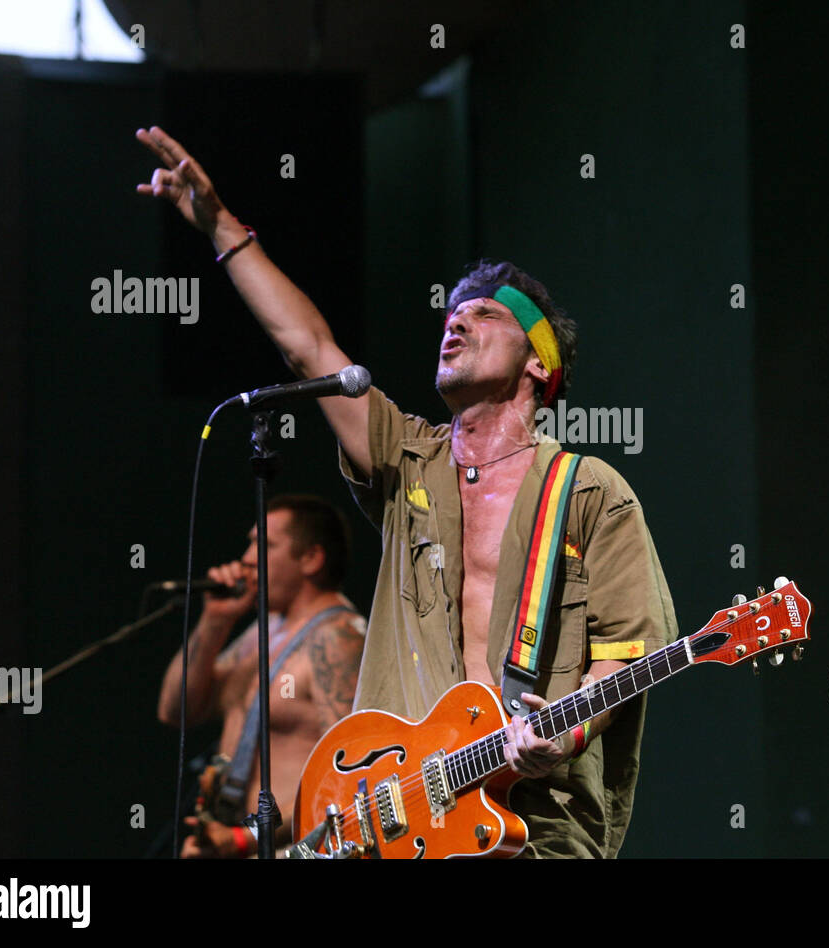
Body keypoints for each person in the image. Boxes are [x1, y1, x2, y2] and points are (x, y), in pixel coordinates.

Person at [137, 126, 678, 857]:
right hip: (399, 815)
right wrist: (221, 226)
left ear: (539, 365)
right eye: (452, 312)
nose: (455, 320)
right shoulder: (410, 461)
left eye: (485, 313)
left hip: (533, 823)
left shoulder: (590, 495)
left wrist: (565, 731)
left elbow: (625, 651)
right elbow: (310, 348)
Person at [156, 494, 365, 858]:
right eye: (250, 543)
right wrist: (215, 621)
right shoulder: (263, 632)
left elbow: (348, 778)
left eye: (264, 545)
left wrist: (241, 839)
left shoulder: (336, 639)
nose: (247, 558)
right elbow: (176, 710)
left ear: (311, 559)